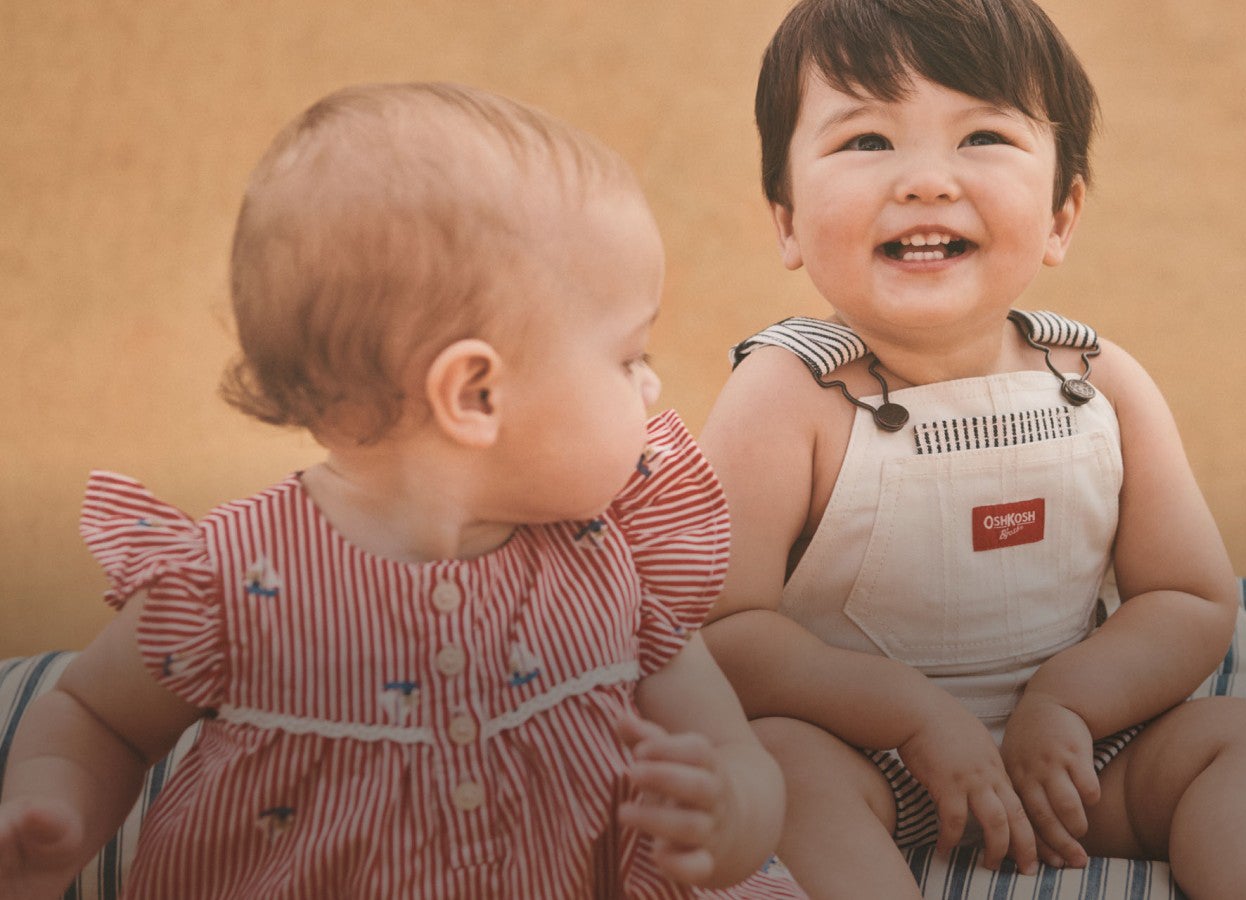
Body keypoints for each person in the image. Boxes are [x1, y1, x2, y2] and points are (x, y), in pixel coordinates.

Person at [697, 1, 1246, 898]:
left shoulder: (1097, 384)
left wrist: (1071, 703)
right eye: (867, 141)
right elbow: (722, 631)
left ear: (1064, 214)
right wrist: (908, 717)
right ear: (788, 219)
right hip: (860, 755)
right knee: (778, 770)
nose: (924, 181)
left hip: (1071, 764)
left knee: (1241, 737)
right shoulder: (791, 393)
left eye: (982, 135)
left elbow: (1186, 597)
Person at [0, 82, 805, 900]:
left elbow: (735, 750)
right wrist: (51, 803)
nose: (653, 386)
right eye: (630, 355)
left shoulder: (610, 563)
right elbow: (100, 720)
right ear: (476, 396)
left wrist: (730, 812)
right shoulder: (232, 579)